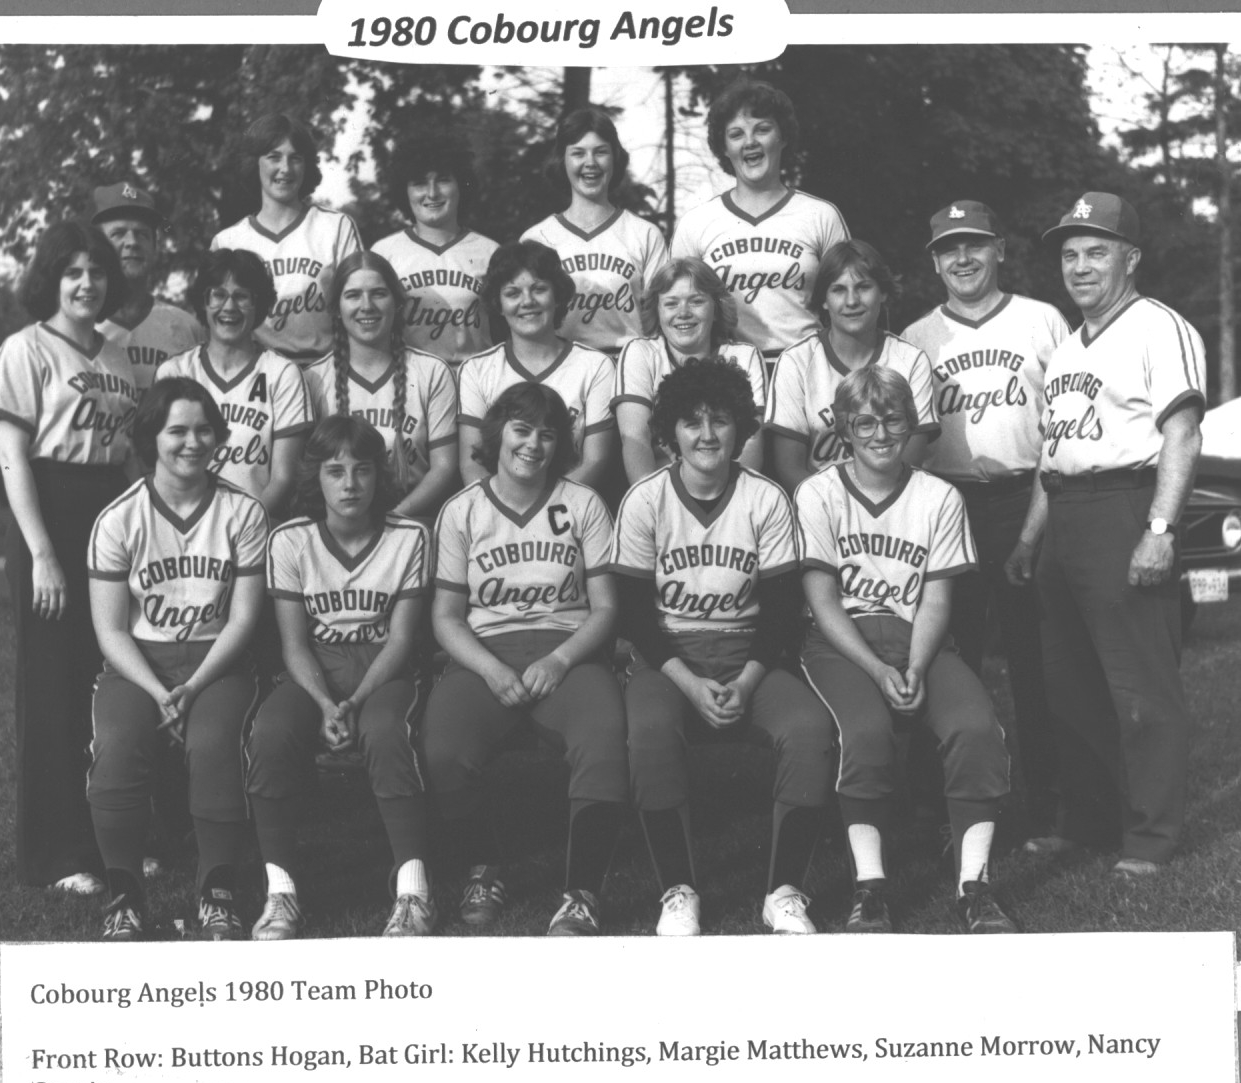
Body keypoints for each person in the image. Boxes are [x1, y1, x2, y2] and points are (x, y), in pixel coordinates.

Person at [1007, 192, 1206, 875]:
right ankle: (1087, 822)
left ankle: (1151, 836)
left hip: (1126, 505)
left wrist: (1160, 529)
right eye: (1070, 254)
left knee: (1139, 684)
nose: (1081, 266)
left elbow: (1182, 432)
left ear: (1131, 258)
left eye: (1097, 251)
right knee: (1070, 687)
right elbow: (1051, 458)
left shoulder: (1159, 326)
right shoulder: (1066, 348)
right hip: (1066, 515)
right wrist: (1029, 539)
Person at [611, 357, 834, 936]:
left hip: (747, 653)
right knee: (648, 731)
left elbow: (781, 608)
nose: (707, 434)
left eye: (720, 420)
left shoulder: (766, 498)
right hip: (669, 658)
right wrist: (688, 682)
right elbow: (634, 613)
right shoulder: (644, 499)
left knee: (809, 729)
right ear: (670, 433)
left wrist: (748, 680)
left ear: (741, 427)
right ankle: (677, 889)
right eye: (692, 422)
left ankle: (784, 891)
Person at [796, 365, 1014, 934]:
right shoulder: (818, 492)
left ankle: (974, 888)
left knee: (975, 728)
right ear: (844, 429)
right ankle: (870, 890)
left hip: (921, 639)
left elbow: (937, 599)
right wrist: (876, 669)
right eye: (864, 423)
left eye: (893, 420)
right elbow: (822, 601)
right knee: (866, 734)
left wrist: (915, 666)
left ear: (911, 424)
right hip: (843, 644)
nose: (880, 434)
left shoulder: (938, 495)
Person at [422, 382, 627, 936]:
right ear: (497, 433)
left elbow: (606, 608)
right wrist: (489, 669)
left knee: (603, 736)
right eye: (522, 430)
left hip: (567, 649)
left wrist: (561, 660)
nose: (533, 445)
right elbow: (446, 616)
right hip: (485, 653)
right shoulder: (463, 509)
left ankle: (582, 892)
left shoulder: (582, 503)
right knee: (443, 749)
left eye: (547, 434)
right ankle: (484, 866)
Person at [902, 200, 1070, 834]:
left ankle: (1050, 807)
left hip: (1027, 496)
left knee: (1036, 660)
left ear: (999, 248)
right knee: (948, 656)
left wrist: (1032, 528)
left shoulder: (1041, 320)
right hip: (949, 503)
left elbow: (1063, 432)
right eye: (949, 248)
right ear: (934, 262)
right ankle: (939, 806)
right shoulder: (917, 338)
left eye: (974, 244)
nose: (963, 258)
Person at [0, 221, 138, 892]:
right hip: (48, 509)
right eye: (73, 271)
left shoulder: (118, 355)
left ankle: (112, 838)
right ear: (52, 278)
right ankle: (57, 855)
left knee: (106, 679)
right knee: (52, 687)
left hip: (108, 512)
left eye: (97, 271)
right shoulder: (26, 348)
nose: (86, 283)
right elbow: (10, 457)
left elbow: (128, 456)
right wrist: (42, 553)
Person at [87, 377, 267, 939]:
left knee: (213, 743)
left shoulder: (243, 511)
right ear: (152, 438)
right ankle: (123, 894)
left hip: (217, 662)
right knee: (117, 745)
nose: (193, 442)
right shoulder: (119, 518)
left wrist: (193, 686)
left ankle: (217, 890)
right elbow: (110, 629)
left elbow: (243, 620)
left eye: (204, 429)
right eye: (177, 431)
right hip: (139, 664)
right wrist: (158, 689)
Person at [246, 416, 431, 939]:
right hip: (314, 672)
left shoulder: (409, 536)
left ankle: (414, 891)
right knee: (271, 732)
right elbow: (293, 644)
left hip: (382, 670)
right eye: (335, 471)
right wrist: (327, 704)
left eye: (362, 470)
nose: (350, 484)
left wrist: (356, 700)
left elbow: (400, 641)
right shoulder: (290, 540)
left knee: (387, 730)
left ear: (379, 475)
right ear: (316, 478)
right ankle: (280, 892)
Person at [672, 78, 848, 367]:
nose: (750, 142)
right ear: (724, 148)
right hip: (726, 374)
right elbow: (675, 314)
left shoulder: (820, 215)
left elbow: (849, 305)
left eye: (762, 129)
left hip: (807, 369)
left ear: (783, 137)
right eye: (736, 134)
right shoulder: (696, 223)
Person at [766, 239, 935, 497]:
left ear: (883, 293)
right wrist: (836, 510)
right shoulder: (796, 361)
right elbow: (789, 467)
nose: (852, 300)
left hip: (894, 504)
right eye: (838, 290)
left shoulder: (911, 360)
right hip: (821, 507)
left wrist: (873, 508)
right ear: (823, 300)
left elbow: (912, 459)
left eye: (863, 287)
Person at [157, 248, 311, 522]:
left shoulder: (282, 374)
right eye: (218, 295)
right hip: (183, 526)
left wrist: (241, 529)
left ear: (258, 304)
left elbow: (283, 478)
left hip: (254, 527)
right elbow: (159, 465)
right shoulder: (175, 371)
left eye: (241, 296)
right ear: (203, 302)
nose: (229, 307)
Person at [305, 251, 458, 522]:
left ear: (397, 303)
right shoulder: (314, 379)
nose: (367, 306)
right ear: (336, 308)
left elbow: (444, 468)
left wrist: (394, 518)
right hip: (341, 523)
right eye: (353, 295)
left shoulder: (432, 372)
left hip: (411, 519)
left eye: (378, 293)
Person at [457, 241, 615, 493]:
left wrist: (543, 508)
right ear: (498, 304)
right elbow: (471, 463)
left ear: (557, 296)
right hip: (497, 507)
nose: (527, 301)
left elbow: (594, 461)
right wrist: (503, 508)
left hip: (570, 505)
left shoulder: (595, 366)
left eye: (539, 289)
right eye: (513, 293)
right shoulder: (475, 370)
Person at [211, 113, 361, 364]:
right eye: (274, 157)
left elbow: (358, 306)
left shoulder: (335, 227)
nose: (286, 168)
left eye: (296, 158)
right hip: (256, 372)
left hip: (323, 370)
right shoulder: (228, 241)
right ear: (255, 163)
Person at [521, 106, 668, 356]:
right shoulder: (536, 238)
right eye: (578, 153)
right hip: (561, 367)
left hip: (628, 366)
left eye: (600, 152)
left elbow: (661, 319)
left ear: (615, 158)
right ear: (562, 160)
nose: (590, 163)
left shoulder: (644, 234)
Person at [614, 257, 766, 484]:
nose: (683, 312)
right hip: (660, 489)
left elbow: (752, 442)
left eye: (696, 301)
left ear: (716, 309)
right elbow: (635, 439)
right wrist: (650, 498)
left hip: (729, 491)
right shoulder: (641, 353)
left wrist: (732, 499)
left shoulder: (744, 356)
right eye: (671, 304)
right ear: (657, 311)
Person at [371, 128, 499, 367]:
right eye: (420, 183)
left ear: (461, 185)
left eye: (443, 180)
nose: (432, 193)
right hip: (411, 381)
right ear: (404, 191)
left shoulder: (490, 252)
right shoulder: (383, 253)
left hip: (476, 380)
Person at [92, 182, 204, 398]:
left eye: (142, 234)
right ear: (99, 246)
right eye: (118, 233)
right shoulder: (81, 326)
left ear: (155, 247)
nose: (132, 242)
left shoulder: (187, 328)